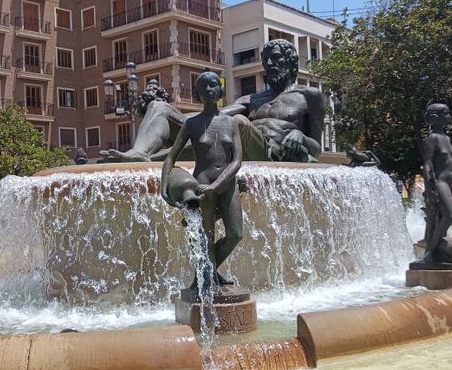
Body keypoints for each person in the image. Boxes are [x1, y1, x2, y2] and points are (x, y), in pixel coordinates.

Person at [100, 38, 326, 163]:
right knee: (158, 106)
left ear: (291, 61)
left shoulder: (309, 97)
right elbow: (213, 117)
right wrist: (172, 118)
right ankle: (139, 153)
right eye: (266, 61)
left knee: (237, 122)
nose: (270, 65)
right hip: (237, 143)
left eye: (275, 59)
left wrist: (302, 139)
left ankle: (157, 158)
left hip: (269, 152)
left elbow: (316, 149)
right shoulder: (253, 99)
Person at [161, 70, 243, 290]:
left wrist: (217, 185)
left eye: (213, 85)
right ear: (198, 93)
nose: (208, 89)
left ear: (220, 89)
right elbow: (170, 157)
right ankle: (206, 276)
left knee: (235, 233)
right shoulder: (192, 124)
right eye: (203, 87)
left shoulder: (231, 122)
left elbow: (237, 161)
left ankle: (207, 271)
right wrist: (164, 188)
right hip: (201, 185)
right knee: (205, 236)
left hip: (226, 184)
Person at [417, 103, 452, 264]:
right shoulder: (433, 138)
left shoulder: (446, 138)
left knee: (442, 218)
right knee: (449, 214)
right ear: (434, 117)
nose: (449, 117)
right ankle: (429, 254)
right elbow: (427, 164)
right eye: (445, 114)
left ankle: (438, 251)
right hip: (440, 182)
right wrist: (430, 187)